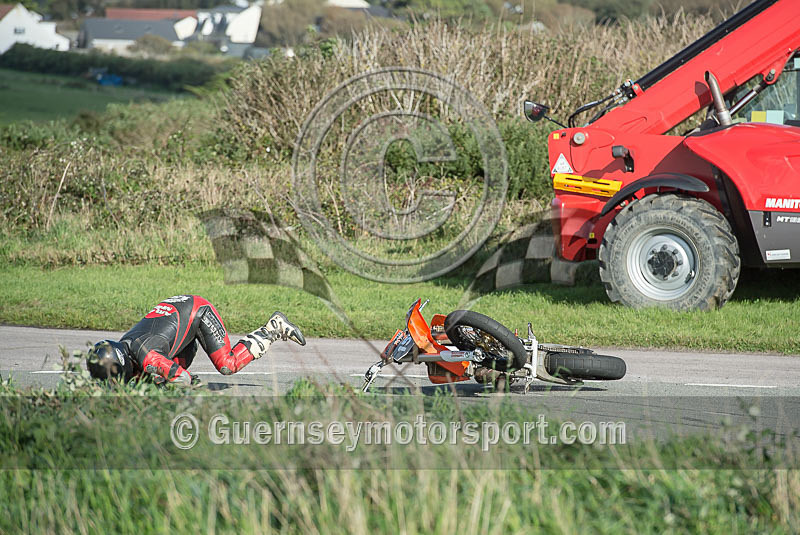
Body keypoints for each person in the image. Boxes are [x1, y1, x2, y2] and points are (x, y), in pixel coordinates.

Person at [86, 295, 305, 385]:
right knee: (149, 382)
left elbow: (184, 379)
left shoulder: (148, 356)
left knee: (227, 365)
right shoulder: (126, 345)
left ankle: (273, 328)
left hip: (197, 312)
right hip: (177, 316)